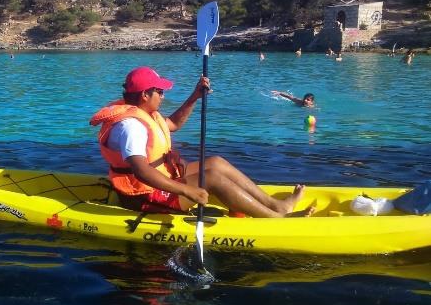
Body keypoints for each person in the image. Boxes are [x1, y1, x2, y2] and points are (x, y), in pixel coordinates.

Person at [89, 66, 315, 218]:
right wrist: (188, 191)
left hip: (163, 176)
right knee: (212, 179)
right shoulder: (131, 126)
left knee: (216, 163)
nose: (163, 95)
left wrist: (195, 96)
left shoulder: (145, 113)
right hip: (142, 195)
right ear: (145, 95)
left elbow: (173, 124)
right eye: (159, 91)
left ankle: (276, 205)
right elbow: (141, 172)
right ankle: (276, 219)